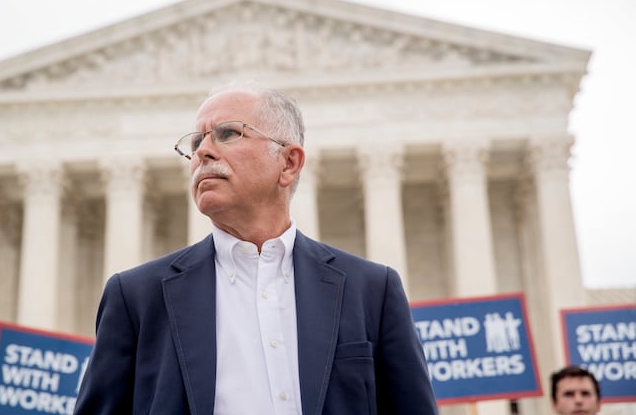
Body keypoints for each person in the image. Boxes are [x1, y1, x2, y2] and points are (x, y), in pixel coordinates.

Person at [74, 84, 438, 414]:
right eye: (196, 142)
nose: (203, 152)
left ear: (289, 163)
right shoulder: (136, 297)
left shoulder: (372, 290)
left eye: (227, 133)